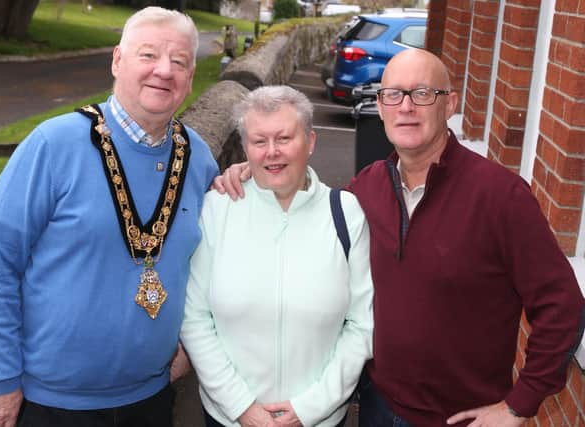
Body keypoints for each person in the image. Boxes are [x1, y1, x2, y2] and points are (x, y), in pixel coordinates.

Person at [213, 49, 585, 427]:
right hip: (377, 407)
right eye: (393, 94)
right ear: (380, 105)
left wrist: (518, 405)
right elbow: (309, 207)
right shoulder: (365, 189)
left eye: (423, 93)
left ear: (450, 104)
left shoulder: (501, 197)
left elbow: (562, 305)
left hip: (461, 417)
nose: (406, 106)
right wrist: (255, 171)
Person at [0, 7, 219, 427]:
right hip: (49, 404)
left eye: (179, 62)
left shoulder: (199, 160)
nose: (163, 70)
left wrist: (190, 348)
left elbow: (210, 267)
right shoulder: (54, 144)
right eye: (148, 55)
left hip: (152, 398)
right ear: (117, 60)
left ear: (191, 76)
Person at [180, 85, 373, 427]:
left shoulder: (345, 213)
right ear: (245, 148)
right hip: (231, 418)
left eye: (284, 138)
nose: (272, 152)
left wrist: (310, 408)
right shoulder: (217, 209)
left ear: (310, 142)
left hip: (320, 419)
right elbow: (194, 318)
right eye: (259, 141)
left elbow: (361, 325)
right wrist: (243, 407)